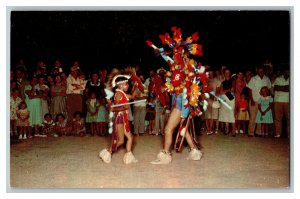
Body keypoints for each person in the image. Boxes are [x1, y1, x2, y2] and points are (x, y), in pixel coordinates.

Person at [99, 70, 139, 164]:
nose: (127, 86)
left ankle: (128, 157)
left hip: (124, 119)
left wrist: (136, 86)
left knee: (130, 138)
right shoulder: (118, 94)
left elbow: (132, 96)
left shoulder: (123, 93)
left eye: (128, 84)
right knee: (120, 141)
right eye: (126, 84)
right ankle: (107, 153)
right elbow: (114, 108)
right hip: (119, 119)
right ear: (120, 85)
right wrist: (123, 107)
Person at [247, 66, 271, 137]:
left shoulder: (267, 79)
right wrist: (251, 100)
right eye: (259, 71)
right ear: (257, 71)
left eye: (262, 71)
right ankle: (251, 132)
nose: (261, 72)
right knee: (253, 117)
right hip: (255, 100)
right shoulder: (253, 79)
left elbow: (268, 90)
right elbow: (250, 90)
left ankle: (259, 132)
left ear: (264, 71)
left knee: (261, 117)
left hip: (263, 102)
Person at [272, 68, 289, 138]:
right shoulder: (278, 79)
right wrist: (286, 88)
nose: (286, 72)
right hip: (278, 100)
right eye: (285, 71)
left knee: (290, 118)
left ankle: (290, 134)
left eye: (288, 71)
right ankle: (278, 133)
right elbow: (274, 87)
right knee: (278, 118)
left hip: (289, 101)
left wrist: (280, 88)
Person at [218, 69, 236, 136]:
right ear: (224, 74)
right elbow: (220, 92)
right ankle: (227, 129)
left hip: (231, 98)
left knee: (231, 113)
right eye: (225, 72)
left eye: (228, 72)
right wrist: (226, 91)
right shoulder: (222, 82)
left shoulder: (233, 81)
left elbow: (232, 89)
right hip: (224, 98)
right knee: (225, 114)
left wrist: (225, 91)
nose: (227, 73)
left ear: (230, 73)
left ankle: (233, 131)